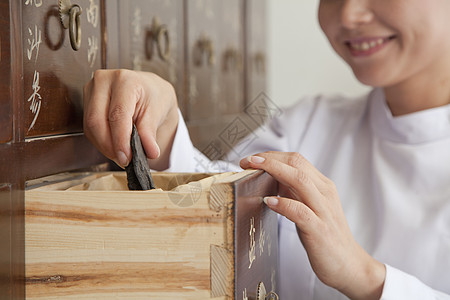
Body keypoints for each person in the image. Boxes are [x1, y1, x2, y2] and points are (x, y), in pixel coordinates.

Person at [83, 0, 450, 299]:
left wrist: (365, 277)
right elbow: (221, 187)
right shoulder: (307, 122)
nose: (350, 14)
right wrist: (163, 129)